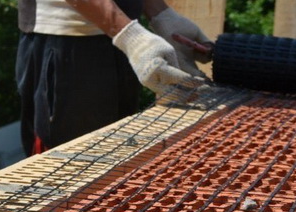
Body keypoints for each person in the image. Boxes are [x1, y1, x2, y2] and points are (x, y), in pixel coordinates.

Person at [16, 0, 212, 155]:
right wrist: (131, 37)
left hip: (121, 35)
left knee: (118, 159)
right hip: (69, 47)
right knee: (70, 171)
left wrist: (161, 15)